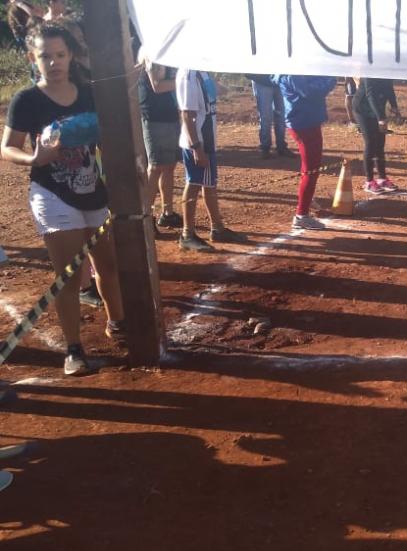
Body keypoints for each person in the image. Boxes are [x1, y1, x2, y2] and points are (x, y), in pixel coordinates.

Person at [1, 22, 126, 376]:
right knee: (69, 277)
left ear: (71, 55)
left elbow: (107, 136)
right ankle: (74, 349)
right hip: (53, 196)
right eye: (45, 56)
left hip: (94, 192)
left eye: (59, 55)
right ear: (32, 58)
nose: (53, 62)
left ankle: (118, 324)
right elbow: (8, 147)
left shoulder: (89, 92)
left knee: (109, 266)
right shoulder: (27, 100)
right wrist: (34, 159)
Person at [175, 67, 247, 250]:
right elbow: (187, 115)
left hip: (207, 139)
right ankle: (187, 234)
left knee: (209, 183)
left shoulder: (202, 72)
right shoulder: (188, 74)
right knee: (194, 183)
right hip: (198, 141)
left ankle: (217, 228)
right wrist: (197, 148)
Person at [272, 74, 337, 231]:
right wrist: (331, 79)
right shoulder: (292, 73)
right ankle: (302, 215)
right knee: (311, 169)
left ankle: (306, 201)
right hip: (304, 122)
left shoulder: (292, 71)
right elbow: (311, 92)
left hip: (306, 120)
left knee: (310, 168)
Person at [135, 45, 182, 230]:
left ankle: (167, 213)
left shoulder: (166, 49)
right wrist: (185, 79)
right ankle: (147, 217)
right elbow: (157, 85)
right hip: (154, 116)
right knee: (155, 168)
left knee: (169, 166)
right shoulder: (152, 50)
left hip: (169, 115)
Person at [353, 78, 398, 195]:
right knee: (371, 142)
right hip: (362, 109)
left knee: (380, 142)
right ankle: (369, 181)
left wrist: (394, 106)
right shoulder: (370, 73)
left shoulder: (386, 71)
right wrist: (381, 118)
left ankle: (382, 179)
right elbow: (370, 95)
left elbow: (389, 89)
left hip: (377, 108)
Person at [244, 73, 294, 159]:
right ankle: (265, 148)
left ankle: (281, 146)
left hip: (280, 81)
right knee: (266, 116)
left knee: (282, 116)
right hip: (261, 81)